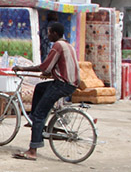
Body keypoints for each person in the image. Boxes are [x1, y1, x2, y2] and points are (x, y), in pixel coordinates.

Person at [11, 21, 80, 161]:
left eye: (49, 32)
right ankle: (34, 118)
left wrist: (23, 68)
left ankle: (32, 151)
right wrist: (49, 73)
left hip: (62, 84)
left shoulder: (57, 46)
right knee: (40, 87)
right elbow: (57, 67)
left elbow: (45, 67)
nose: (47, 35)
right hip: (70, 84)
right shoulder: (68, 45)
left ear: (55, 33)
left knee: (39, 116)